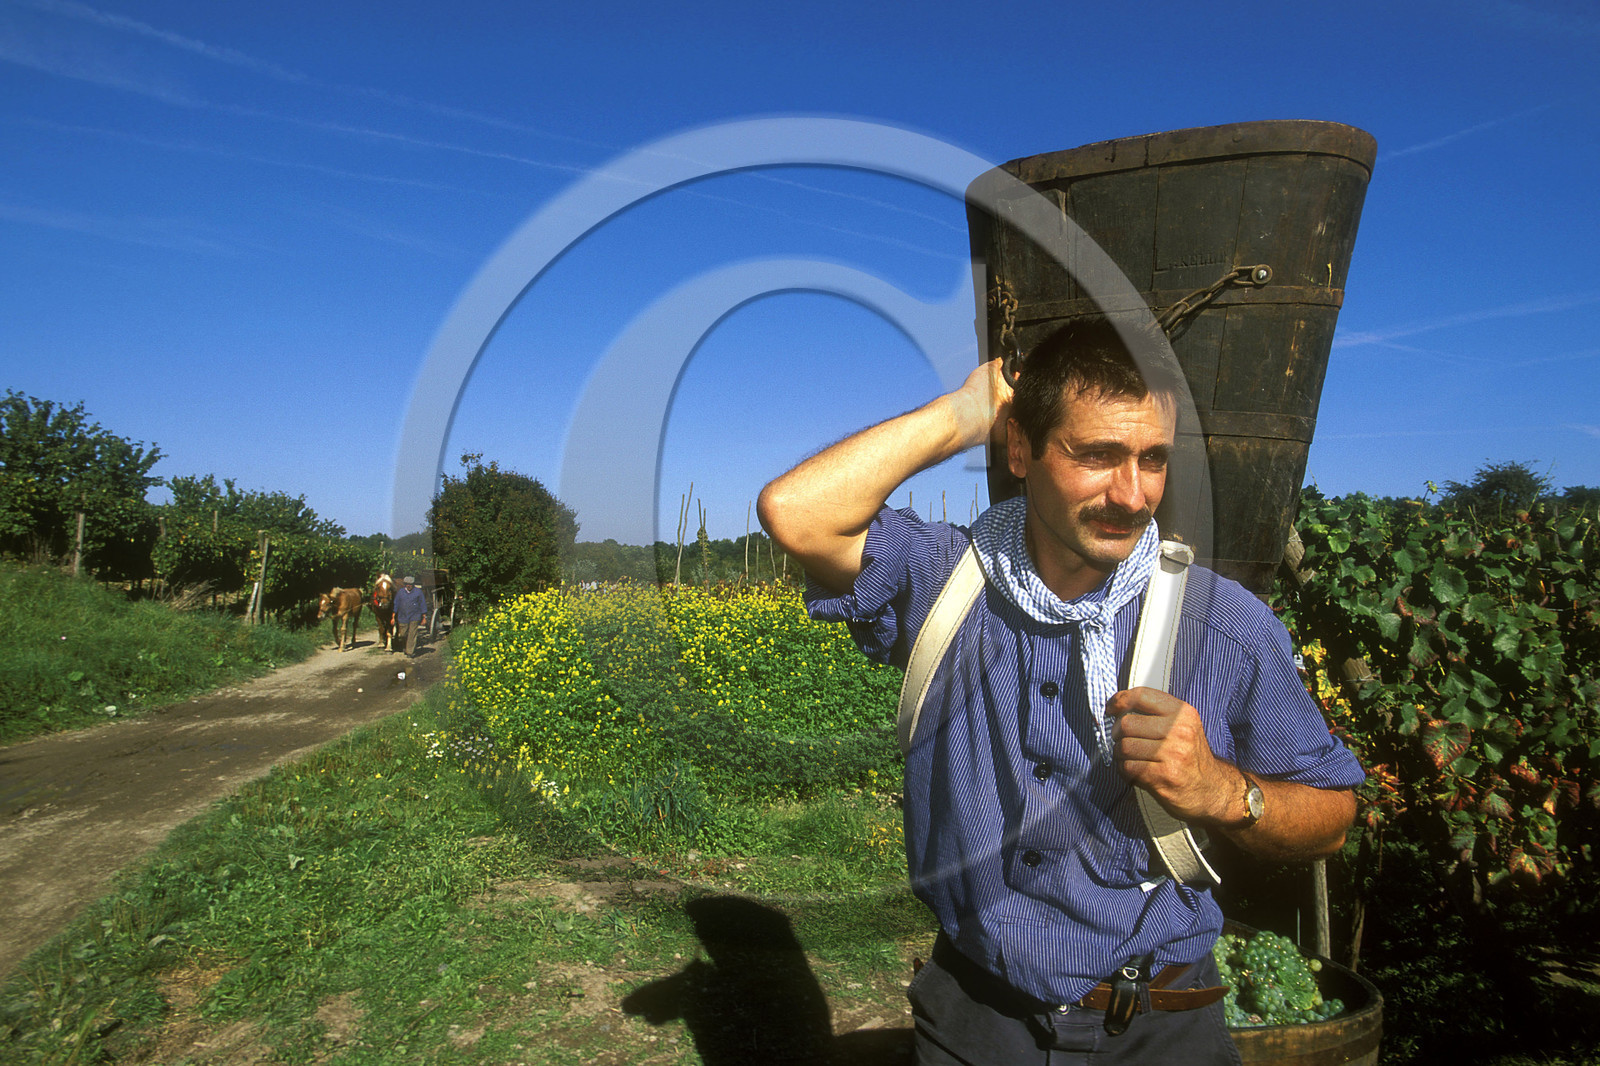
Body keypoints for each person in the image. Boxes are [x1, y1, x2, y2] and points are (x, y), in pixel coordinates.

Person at [757, 318, 1364, 1065]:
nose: (1132, 494)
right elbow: (796, 512)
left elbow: (1332, 819)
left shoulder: (1226, 627)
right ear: (1021, 449)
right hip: (974, 1017)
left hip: (1162, 1024)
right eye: (1098, 455)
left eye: (1152, 459)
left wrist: (1220, 791)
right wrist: (964, 414)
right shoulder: (947, 582)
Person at [393, 575, 428, 659]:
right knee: (403, 634)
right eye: (407, 584)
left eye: (410, 584)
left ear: (413, 584)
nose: (409, 586)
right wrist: (393, 616)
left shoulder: (418, 592)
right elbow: (396, 604)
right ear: (405, 584)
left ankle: (410, 652)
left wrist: (424, 617)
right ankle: (405, 646)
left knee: (412, 634)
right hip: (403, 616)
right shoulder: (400, 592)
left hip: (414, 616)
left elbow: (422, 604)